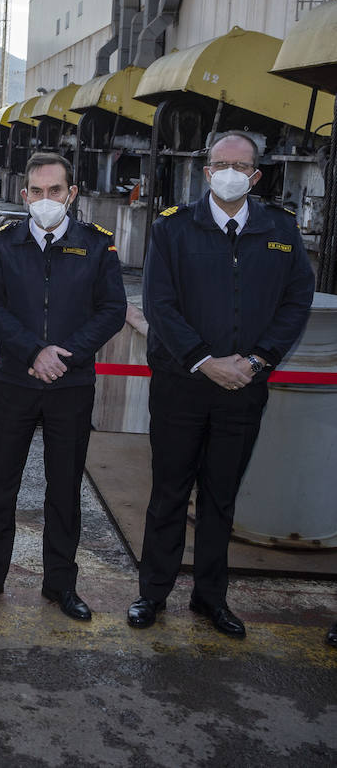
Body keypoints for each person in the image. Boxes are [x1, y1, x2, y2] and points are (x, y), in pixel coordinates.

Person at [130, 132, 313, 638]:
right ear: (206, 171)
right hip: (181, 384)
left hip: (244, 386)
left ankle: (211, 598)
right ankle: (153, 593)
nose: (229, 171)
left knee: (220, 496)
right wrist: (204, 360)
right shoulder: (173, 228)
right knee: (168, 491)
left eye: (241, 164)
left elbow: (297, 301)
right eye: (219, 163)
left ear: (256, 175)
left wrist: (257, 360)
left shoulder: (280, 229)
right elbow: (160, 303)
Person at [0, 153, 126, 620]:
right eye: (37, 191)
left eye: (56, 191)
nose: (46, 200)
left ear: (71, 194)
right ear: (24, 195)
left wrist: (64, 354)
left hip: (71, 386)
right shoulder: (4, 242)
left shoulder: (97, 246)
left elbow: (111, 310)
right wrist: (34, 350)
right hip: (16, 380)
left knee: (65, 489)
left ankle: (60, 586)